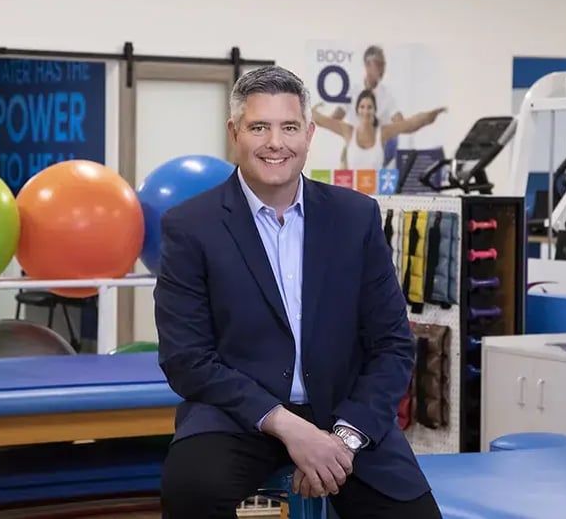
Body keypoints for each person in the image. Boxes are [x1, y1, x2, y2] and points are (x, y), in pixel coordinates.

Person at [154, 65, 441, 519]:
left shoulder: (355, 218)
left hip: (346, 415)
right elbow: (187, 360)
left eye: (289, 127)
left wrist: (343, 440)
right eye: (259, 127)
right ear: (235, 132)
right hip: (237, 416)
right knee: (190, 493)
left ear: (309, 134)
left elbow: (391, 345)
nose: (275, 142)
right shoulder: (191, 226)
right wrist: (290, 428)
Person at [313, 88, 445, 170]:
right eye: (362, 107)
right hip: (351, 198)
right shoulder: (348, 131)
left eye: (369, 107)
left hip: (376, 198)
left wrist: (430, 115)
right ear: (357, 110)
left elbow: (410, 124)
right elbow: (320, 120)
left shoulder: (382, 133)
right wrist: (304, 108)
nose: (366, 111)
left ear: (375, 111)